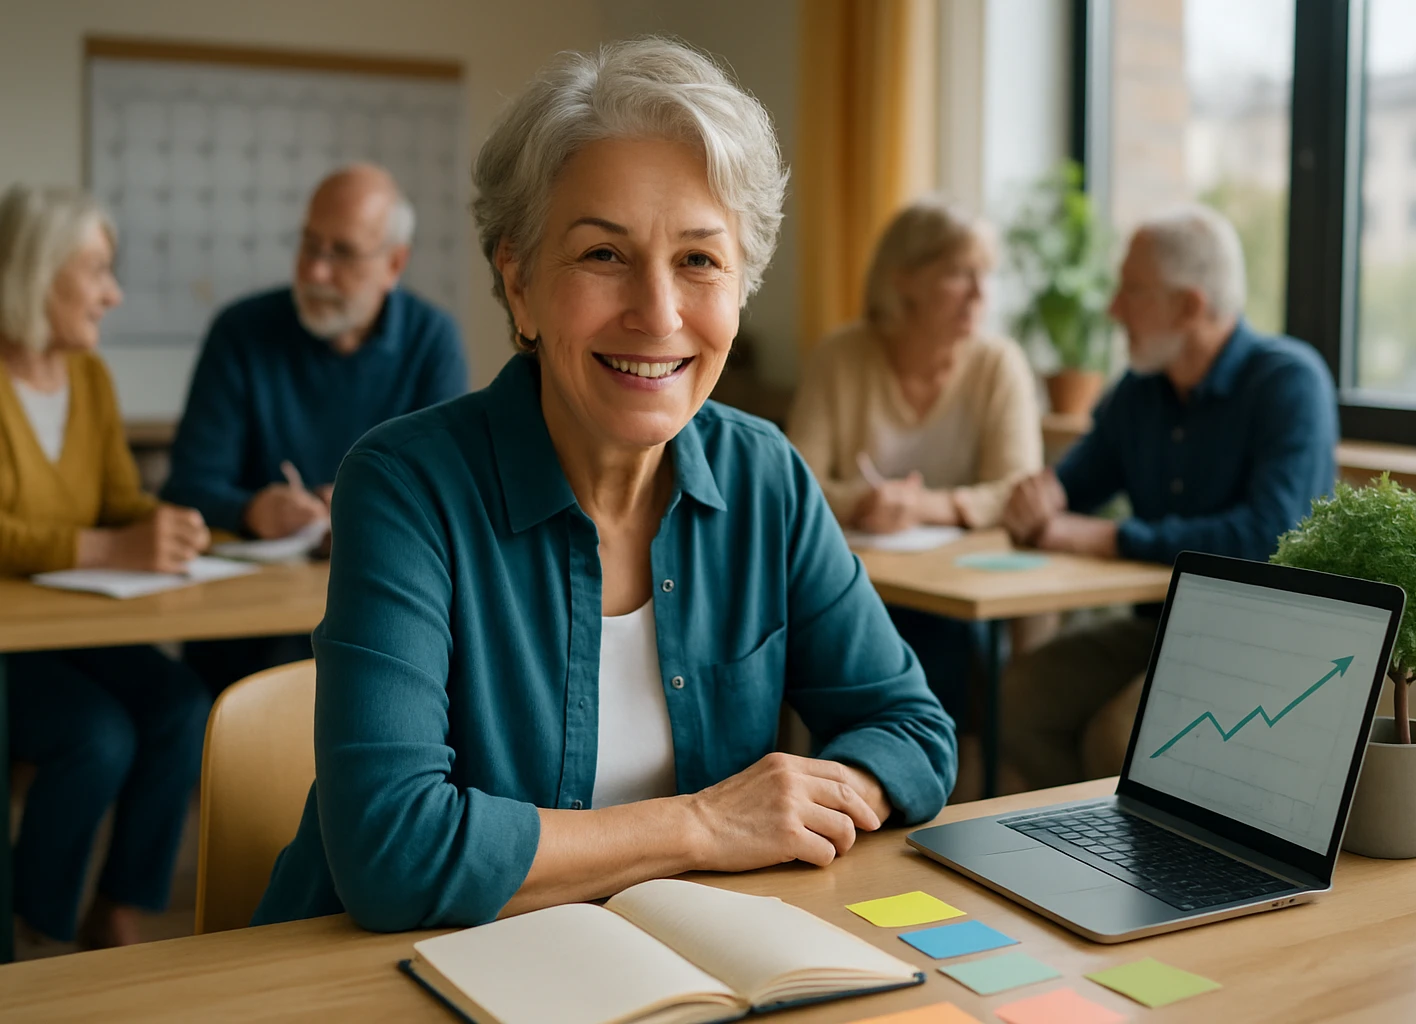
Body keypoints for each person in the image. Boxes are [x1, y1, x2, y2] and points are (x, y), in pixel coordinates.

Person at [252, 39, 957, 932]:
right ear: (519, 282)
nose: (657, 314)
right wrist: (705, 825)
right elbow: (394, 851)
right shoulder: (405, 486)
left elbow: (915, 732)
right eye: (602, 255)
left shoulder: (765, 474)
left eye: (700, 260)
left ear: (743, 287)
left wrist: (812, 799)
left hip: (677, 964)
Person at [998, 203, 1337, 789]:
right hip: (1161, 626)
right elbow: (1073, 485)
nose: (1113, 308)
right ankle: (1086, 849)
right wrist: (1040, 496)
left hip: (1258, 641)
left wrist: (1111, 536)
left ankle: (1137, 869)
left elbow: (1267, 537)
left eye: (1132, 291)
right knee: (1017, 697)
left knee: (1117, 735)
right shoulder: (1140, 389)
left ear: (1189, 306)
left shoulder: (1288, 382)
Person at [161, 163, 469, 691]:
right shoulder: (241, 333)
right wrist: (253, 510)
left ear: (394, 264)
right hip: (244, 624)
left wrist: (359, 512)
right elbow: (186, 488)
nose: (315, 271)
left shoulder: (432, 341)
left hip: (379, 610)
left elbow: (450, 500)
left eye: (342, 254)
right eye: (308, 245)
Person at [0, 185, 211, 949]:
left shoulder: (89, 378)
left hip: (77, 627)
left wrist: (171, 527)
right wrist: (105, 547)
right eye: (96, 270)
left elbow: (119, 499)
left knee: (183, 703)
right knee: (97, 736)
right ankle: (36, 929)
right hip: (9, 645)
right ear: (34, 271)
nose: (112, 293)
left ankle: (117, 906)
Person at [787, 199, 1042, 720]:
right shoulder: (841, 356)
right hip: (858, 581)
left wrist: (922, 507)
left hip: (962, 588)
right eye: (958, 274)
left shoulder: (999, 364)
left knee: (948, 654)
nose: (980, 294)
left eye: (986, 275)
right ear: (903, 281)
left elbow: (1017, 489)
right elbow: (795, 482)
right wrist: (866, 504)